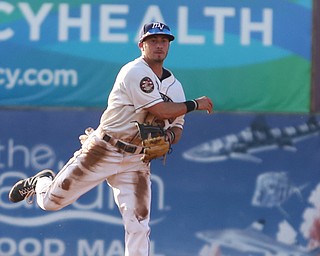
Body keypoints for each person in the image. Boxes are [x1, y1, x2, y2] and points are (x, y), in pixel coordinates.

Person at [8, 21, 213, 256]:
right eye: (153, 40)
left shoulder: (175, 87)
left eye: (164, 41)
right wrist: (195, 104)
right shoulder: (135, 71)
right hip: (104, 149)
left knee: (139, 224)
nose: (159, 45)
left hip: (137, 159)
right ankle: (41, 182)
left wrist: (168, 136)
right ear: (141, 45)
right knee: (52, 202)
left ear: (169, 46)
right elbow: (161, 111)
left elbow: (177, 126)